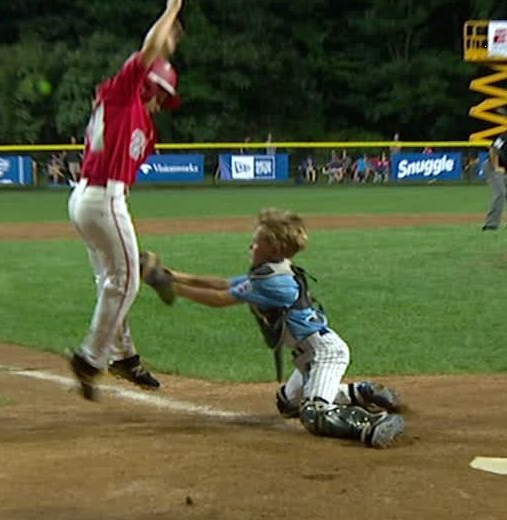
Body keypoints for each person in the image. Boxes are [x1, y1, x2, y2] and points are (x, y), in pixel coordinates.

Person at [140, 208, 406, 449]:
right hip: (307, 358)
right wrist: (170, 274)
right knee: (287, 403)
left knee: (314, 414)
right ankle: (360, 392)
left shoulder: (274, 283)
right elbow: (222, 283)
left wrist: (172, 288)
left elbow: (222, 299)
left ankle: (374, 425)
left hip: (325, 353)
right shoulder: (272, 270)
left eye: (257, 242)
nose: (251, 245)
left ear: (275, 248)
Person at [67, 0, 185, 401]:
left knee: (112, 280)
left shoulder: (143, 125)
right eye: (160, 95)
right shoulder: (123, 95)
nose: (160, 104)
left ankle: (124, 355)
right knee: (128, 281)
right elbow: (146, 51)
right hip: (101, 196)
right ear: (148, 87)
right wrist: (171, 10)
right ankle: (90, 358)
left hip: (96, 199)